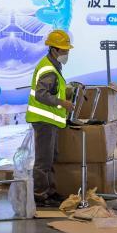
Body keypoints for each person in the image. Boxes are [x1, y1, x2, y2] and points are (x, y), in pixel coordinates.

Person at [25, 29, 75, 207]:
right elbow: (41, 94)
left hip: (49, 121)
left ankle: (50, 192)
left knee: (50, 158)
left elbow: (50, 90)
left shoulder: (53, 65)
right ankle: (40, 196)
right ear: (54, 50)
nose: (66, 53)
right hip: (43, 121)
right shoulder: (48, 69)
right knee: (43, 161)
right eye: (64, 50)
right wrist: (62, 102)